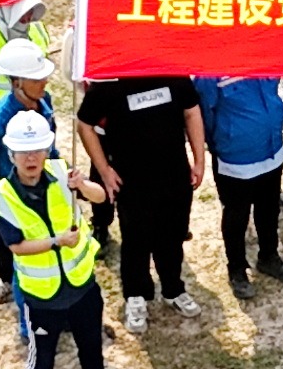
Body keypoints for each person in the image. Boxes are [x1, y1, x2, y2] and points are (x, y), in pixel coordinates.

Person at [0, 111, 133, 369]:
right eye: (24, 152)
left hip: (82, 286)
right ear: (11, 155)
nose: (32, 158)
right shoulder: (1, 197)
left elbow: (100, 198)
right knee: (42, 363)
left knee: (91, 348)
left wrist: (82, 185)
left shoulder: (60, 172)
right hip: (42, 299)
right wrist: (56, 242)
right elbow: (16, 246)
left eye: (38, 149)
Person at [75, 72, 205, 333]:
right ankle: (136, 296)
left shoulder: (174, 74)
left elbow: (191, 112)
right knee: (136, 240)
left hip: (175, 175)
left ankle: (173, 289)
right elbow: (84, 124)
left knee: (172, 235)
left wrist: (199, 159)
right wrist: (104, 170)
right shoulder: (109, 83)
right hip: (132, 181)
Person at [0, 38, 60, 310]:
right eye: (37, 78)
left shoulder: (44, 101)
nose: (45, 83)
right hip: (11, 190)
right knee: (6, 235)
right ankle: (5, 280)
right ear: (17, 82)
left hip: (44, 183)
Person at [198, 74, 283, 289]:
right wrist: (222, 140)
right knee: (237, 216)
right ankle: (237, 269)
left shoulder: (262, 54)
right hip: (236, 155)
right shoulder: (210, 71)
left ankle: (269, 257)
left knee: (269, 209)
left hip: (272, 149)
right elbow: (205, 112)